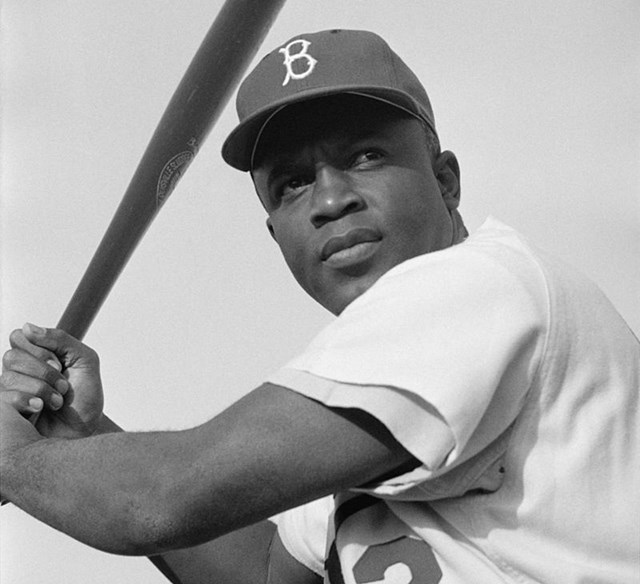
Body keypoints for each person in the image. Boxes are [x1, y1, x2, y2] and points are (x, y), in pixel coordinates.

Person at [1, 29, 638, 584]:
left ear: (446, 181)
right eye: (293, 182)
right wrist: (80, 437)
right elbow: (269, 573)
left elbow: (161, 499)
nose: (330, 200)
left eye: (365, 156)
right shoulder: (358, 386)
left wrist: (16, 460)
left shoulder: (477, 286)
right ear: (277, 233)